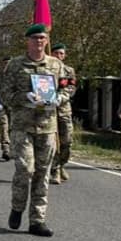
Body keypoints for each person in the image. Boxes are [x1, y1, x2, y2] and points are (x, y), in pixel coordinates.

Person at [0, 24, 66, 237]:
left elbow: (69, 86)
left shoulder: (56, 65)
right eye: (35, 38)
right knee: (25, 169)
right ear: (27, 41)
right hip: (22, 125)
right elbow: (4, 93)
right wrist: (23, 98)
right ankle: (17, 207)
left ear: (46, 41)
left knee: (42, 173)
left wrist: (59, 98)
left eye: (42, 38)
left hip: (47, 126)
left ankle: (37, 220)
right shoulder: (16, 65)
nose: (39, 41)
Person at [50, 44, 78, 184]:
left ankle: (61, 164)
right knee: (53, 142)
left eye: (61, 53)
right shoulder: (46, 69)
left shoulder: (69, 70)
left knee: (67, 141)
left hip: (64, 110)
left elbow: (71, 88)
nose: (59, 56)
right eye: (56, 53)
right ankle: (54, 170)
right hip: (48, 111)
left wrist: (60, 98)